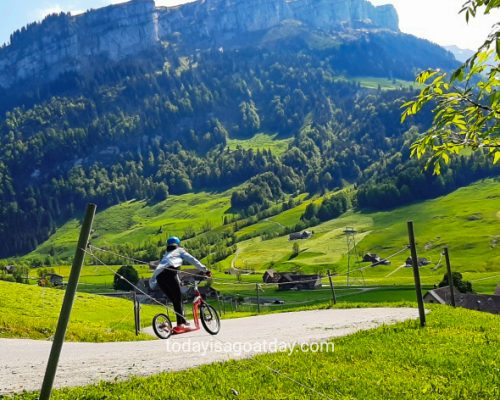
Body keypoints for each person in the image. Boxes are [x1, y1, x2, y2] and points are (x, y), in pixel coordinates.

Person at [149, 236, 210, 329]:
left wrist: (178, 282)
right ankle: (180, 324)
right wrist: (205, 270)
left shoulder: (166, 255)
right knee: (177, 299)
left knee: (175, 300)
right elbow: (192, 260)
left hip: (160, 279)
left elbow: (173, 270)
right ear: (178, 244)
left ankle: (183, 321)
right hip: (170, 275)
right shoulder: (180, 250)